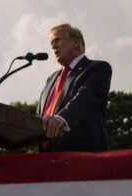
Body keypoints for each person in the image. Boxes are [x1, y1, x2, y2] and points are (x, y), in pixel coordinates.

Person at [37, 23, 112, 152]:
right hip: (45, 159)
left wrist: (60, 118)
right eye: (51, 43)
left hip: (81, 156)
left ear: (76, 43)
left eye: (58, 40)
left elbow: (85, 99)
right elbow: (40, 115)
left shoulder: (97, 68)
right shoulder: (51, 79)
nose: (53, 46)